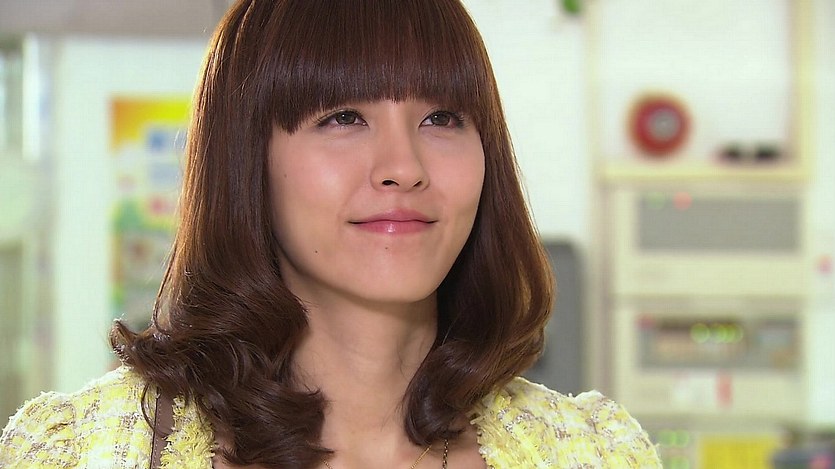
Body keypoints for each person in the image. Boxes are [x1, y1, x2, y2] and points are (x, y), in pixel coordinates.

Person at [0, 0, 661, 467]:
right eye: (343, 117)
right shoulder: (77, 451)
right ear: (247, 159)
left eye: (441, 118)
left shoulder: (595, 452)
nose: (403, 166)